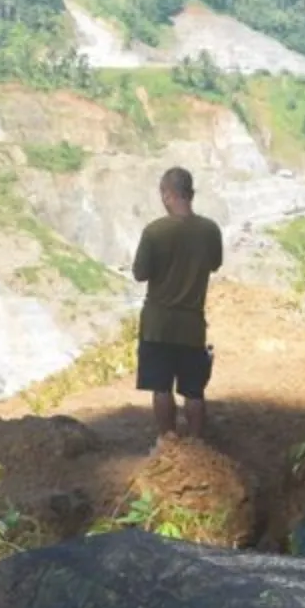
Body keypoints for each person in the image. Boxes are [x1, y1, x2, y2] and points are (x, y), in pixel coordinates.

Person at [130, 166, 224, 441]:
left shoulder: (155, 232)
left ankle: (168, 441)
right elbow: (215, 264)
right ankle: (197, 443)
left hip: (157, 324)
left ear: (167, 194)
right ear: (191, 194)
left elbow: (140, 274)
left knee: (161, 388)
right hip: (192, 324)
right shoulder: (209, 230)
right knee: (194, 391)